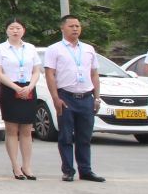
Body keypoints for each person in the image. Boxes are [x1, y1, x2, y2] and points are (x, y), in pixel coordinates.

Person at [43, 15, 105, 183]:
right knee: (65, 136)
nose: (75, 29)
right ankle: (68, 170)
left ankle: (86, 170)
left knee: (84, 137)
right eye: (71, 26)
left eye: (77, 26)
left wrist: (97, 97)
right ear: (62, 28)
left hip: (86, 97)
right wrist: (55, 98)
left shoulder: (88, 49)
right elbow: (50, 74)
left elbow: (94, 73)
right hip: (66, 96)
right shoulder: (54, 49)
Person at [0, 18, 41, 180]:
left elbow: (36, 71)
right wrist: (15, 87)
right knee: (12, 130)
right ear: (6, 30)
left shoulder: (31, 48)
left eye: (18, 28)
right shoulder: (0, 49)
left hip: (28, 89)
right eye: (12, 28)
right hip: (9, 89)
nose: (15, 31)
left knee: (27, 130)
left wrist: (30, 86)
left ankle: (27, 165)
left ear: (23, 30)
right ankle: (15, 165)